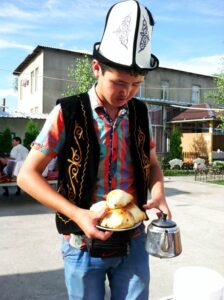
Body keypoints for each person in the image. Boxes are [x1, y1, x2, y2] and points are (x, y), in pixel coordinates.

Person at [17, 1, 172, 299]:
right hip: (81, 245)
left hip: (134, 242)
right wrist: (77, 214)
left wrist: (159, 192)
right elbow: (26, 176)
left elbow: (152, 165)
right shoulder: (68, 112)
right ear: (97, 68)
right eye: (119, 82)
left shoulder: (140, 113)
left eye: (136, 84)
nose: (127, 93)